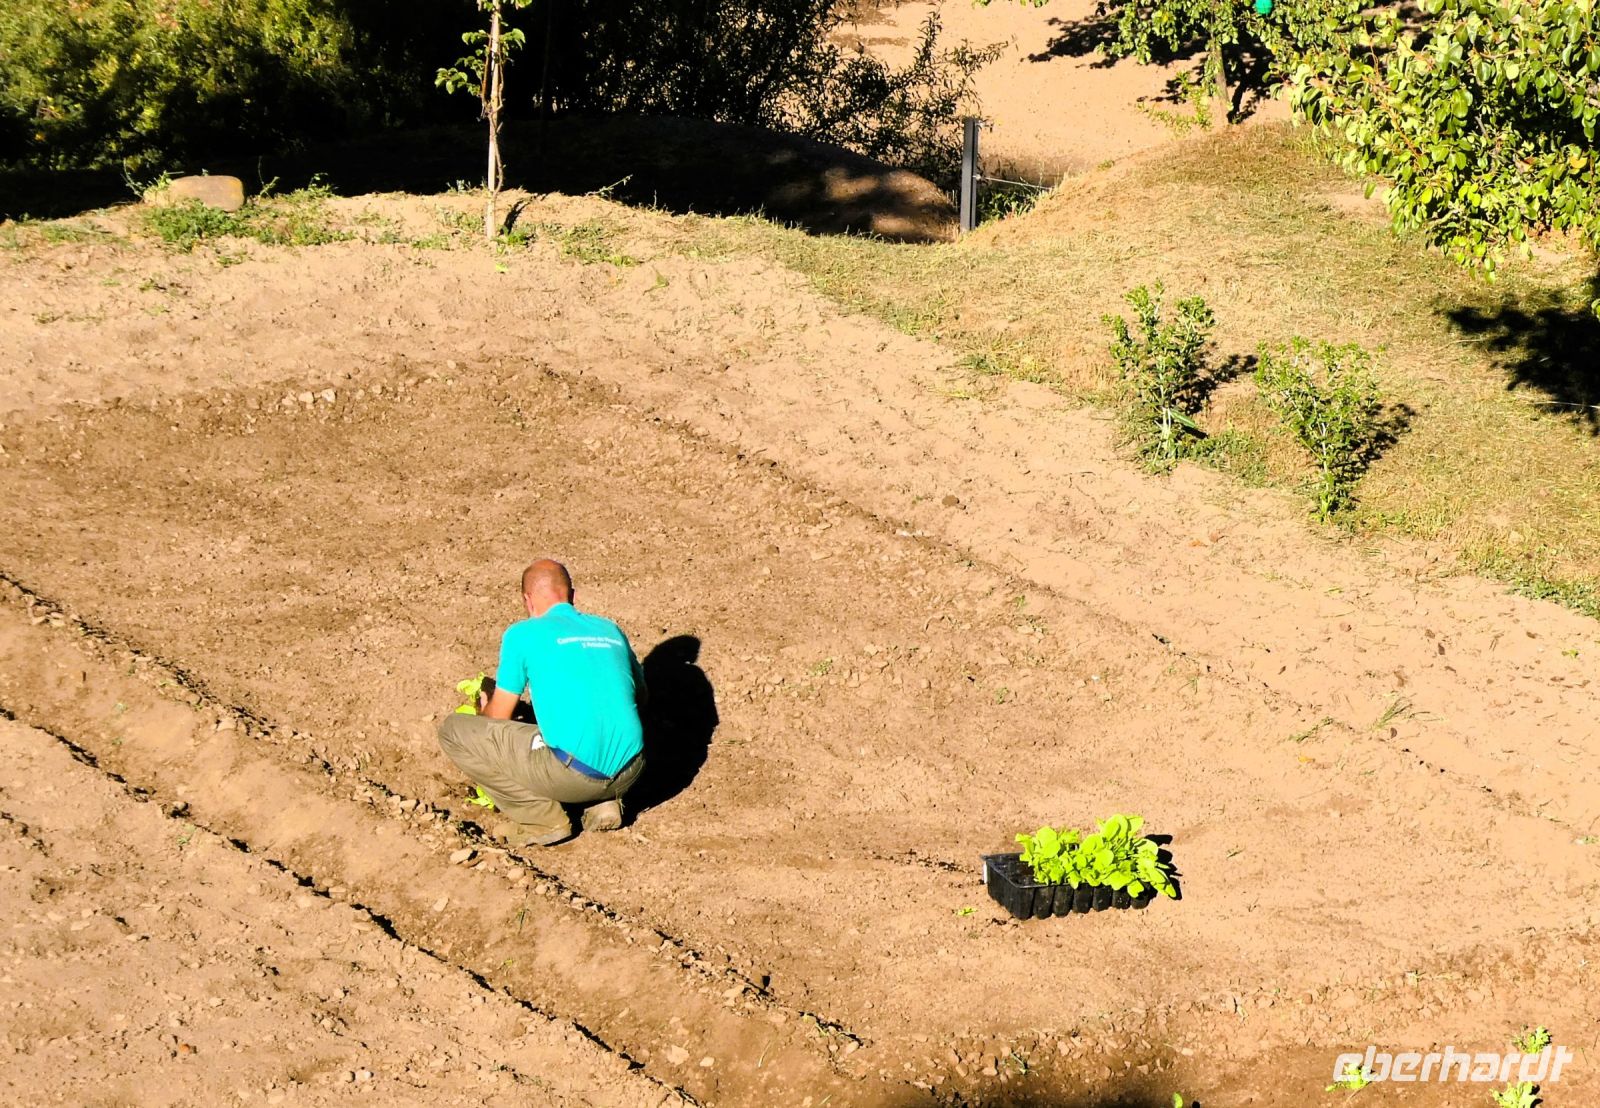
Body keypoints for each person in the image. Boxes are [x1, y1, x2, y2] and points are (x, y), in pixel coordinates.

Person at [437, 559, 647, 846]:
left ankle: (542, 820)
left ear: (527, 599)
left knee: (453, 730)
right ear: (572, 595)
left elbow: (499, 717)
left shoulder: (522, 634)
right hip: (631, 771)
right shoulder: (609, 630)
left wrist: (483, 707)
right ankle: (603, 802)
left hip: (572, 776)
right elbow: (641, 698)